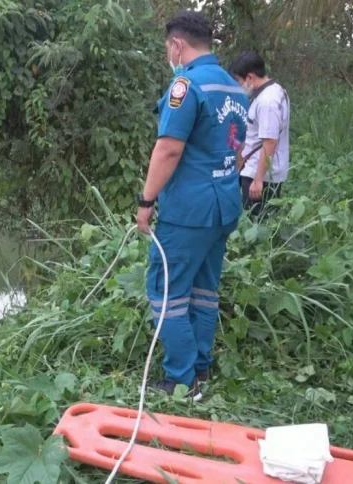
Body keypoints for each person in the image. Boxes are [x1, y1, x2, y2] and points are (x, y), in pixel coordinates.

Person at [136, 11, 248, 399]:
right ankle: (201, 367)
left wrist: (146, 200)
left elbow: (168, 149)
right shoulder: (234, 88)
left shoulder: (186, 85)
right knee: (203, 290)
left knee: (165, 292)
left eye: (168, 48)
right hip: (223, 207)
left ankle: (182, 380)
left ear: (177, 44)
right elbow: (237, 153)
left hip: (188, 211)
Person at [229, 50, 290, 221]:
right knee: (265, 222)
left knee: (256, 223)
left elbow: (270, 142)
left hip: (259, 174)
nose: (238, 86)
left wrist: (258, 180)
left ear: (250, 77)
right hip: (266, 172)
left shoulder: (267, 101)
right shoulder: (276, 90)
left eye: (239, 81)